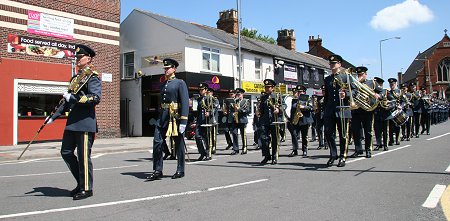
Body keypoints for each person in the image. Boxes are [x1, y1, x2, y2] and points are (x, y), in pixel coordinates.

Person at [47, 44, 101, 200]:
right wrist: (53, 116)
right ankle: (81, 182)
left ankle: (87, 189)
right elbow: (66, 101)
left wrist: (75, 98)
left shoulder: (93, 77)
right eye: (76, 57)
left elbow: (95, 98)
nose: (77, 59)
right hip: (72, 122)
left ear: (88, 59)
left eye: (80, 57)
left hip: (85, 123)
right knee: (66, 152)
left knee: (84, 157)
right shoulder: (75, 79)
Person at [146, 58, 189, 181]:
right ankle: (157, 170)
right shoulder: (164, 84)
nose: (165, 70)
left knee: (178, 144)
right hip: (163, 118)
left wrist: (184, 121)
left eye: (168, 68)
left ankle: (180, 169)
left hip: (175, 118)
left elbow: (185, 103)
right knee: (157, 142)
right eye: (164, 68)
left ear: (174, 69)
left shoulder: (180, 83)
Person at [323, 54, 351, 167]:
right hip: (330, 110)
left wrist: (346, 94)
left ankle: (342, 156)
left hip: (343, 109)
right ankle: (333, 155)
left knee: (343, 134)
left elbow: (354, 92)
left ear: (339, 64)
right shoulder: (328, 79)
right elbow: (327, 96)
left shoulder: (346, 77)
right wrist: (324, 110)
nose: (331, 65)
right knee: (329, 133)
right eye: (330, 63)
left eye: (334, 63)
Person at [348, 66, 382, 158]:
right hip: (356, 110)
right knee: (356, 131)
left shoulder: (372, 83)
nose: (360, 76)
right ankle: (358, 149)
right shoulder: (354, 83)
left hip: (368, 110)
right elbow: (351, 94)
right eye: (358, 74)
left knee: (368, 131)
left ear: (365, 74)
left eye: (361, 74)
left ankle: (368, 150)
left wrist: (378, 95)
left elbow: (382, 91)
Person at [258, 79, 280, 165]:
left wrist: (278, 110)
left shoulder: (277, 96)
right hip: (265, 121)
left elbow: (283, 106)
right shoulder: (263, 97)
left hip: (274, 120)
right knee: (263, 138)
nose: (267, 89)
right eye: (266, 87)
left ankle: (274, 156)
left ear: (273, 88)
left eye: (268, 87)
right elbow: (262, 110)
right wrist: (259, 113)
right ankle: (267, 156)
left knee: (275, 139)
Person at [288, 85, 313, 157]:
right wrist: (290, 119)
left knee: (304, 136)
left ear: (304, 92)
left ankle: (304, 150)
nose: (298, 93)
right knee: (294, 134)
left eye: (300, 92)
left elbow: (311, 107)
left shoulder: (307, 99)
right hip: (296, 120)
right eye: (297, 92)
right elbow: (292, 110)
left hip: (304, 120)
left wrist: (304, 107)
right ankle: (295, 150)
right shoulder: (294, 100)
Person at [195, 82, 212, 161]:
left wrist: (210, 113)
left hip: (207, 121)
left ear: (206, 90)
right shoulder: (199, 99)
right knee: (197, 136)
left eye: (202, 90)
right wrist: (195, 121)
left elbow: (215, 108)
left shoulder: (210, 98)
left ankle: (208, 154)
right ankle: (202, 152)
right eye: (200, 90)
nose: (201, 91)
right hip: (199, 120)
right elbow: (198, 111)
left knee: (206, 138)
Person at [230, 88, 250, 155]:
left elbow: (247, 111)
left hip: (242, 120)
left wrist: (239, 110)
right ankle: (235, 149)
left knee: (243, 134)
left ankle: (244, 148)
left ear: (242, 94)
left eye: (239, 94)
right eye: (237, 94)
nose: (238, 95)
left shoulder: (246, 101)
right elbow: (232, 109)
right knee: (234, 133)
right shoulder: (235, 101)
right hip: (235, 120)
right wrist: (233, 113)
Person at [373, 77, 389, 151]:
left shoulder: (385, 91)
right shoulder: (373, 92)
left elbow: (392, 101)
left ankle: (385, 144)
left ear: (380, 84)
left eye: (377, 83)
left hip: (384, 113)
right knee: (377, 130)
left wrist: (388, 107)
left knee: (385, 130)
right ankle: (379, 144)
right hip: (376, 113)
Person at [386, 78, 403, 146]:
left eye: (392, 84)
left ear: (395, 84)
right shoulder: (388, 92)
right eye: (390, 84)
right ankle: (391, 140)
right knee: (390, 127)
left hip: (397, 111)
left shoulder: (399, 92)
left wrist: (401, 106)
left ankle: (397, 139)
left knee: (397, 126)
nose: (391, 86)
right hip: (390, 111)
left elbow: (404, 100)